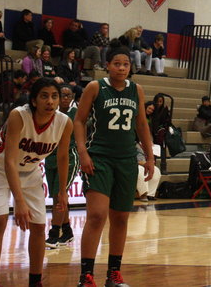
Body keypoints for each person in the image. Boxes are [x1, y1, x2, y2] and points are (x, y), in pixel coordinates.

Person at [74, 42, 154, 287]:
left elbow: (141, 124)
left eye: (126, 64)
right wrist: (83, 152)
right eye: (117, 64)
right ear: (107, 65)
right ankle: (86, 276)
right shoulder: (95, 87)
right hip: (100, 157)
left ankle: (113, 275)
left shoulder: (136, 90)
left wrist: (149, 156)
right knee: (97, 215)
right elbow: (79, 121)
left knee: (120, 218)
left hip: (127, 160)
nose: (121, 68)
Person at [0, 78, 73, 287]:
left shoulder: (64, 122)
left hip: (30, 170)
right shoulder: (18, 116)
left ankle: (35, 281)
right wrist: (19, 202)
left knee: (39, 227)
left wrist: (63, 191)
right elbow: (10, 162)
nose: (50, 101)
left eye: (54, 96)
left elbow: (62, 157)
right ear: (33, 100)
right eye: (44, 96)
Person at [44, 85, 79, 249]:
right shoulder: (52, 114)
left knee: (59, 196)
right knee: (56, 198)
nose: (65, 98)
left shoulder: (76, 114)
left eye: (68, 95)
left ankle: (53, 234)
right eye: (62, 95)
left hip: (69, 157)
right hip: (50, 157)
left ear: (72, 97)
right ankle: (67, 232)